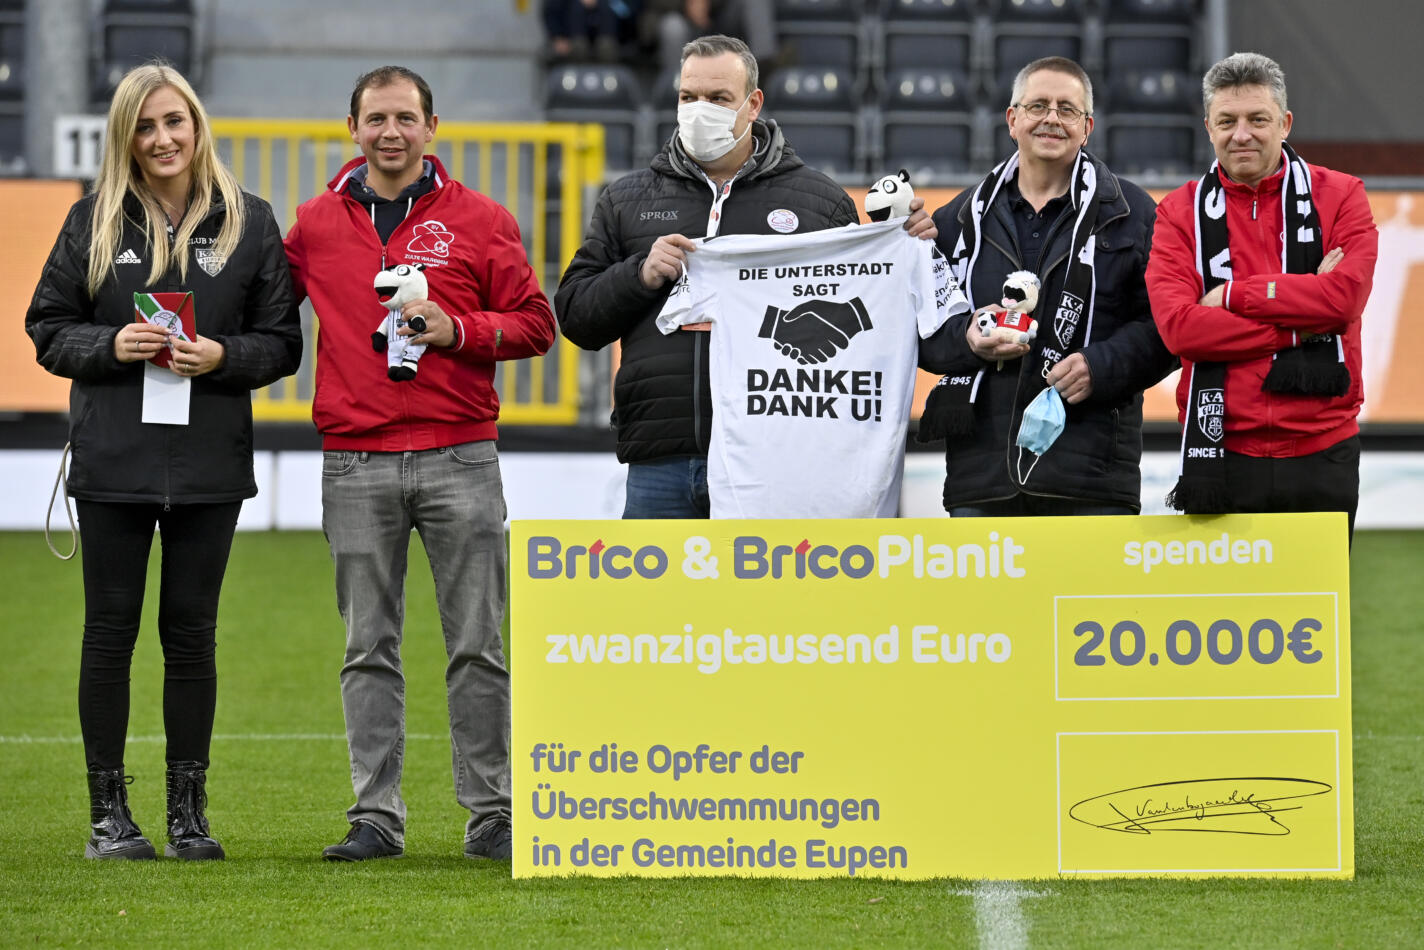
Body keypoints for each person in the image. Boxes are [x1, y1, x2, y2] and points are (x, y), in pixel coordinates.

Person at [25, 63, 303, 861]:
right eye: (145, 127)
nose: (162, 139)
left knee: (193, 637)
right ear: (126, 137)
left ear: (197, 124)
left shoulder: (250, 221)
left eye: (173, 121)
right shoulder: (92, 219)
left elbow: (282, 344)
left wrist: (220, 354)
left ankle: (188, 815)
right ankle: (108, 817)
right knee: (109, 636)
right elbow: (47, 326)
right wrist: (110, 344)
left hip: (211, 462)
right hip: (114, 459)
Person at [284, 66, 556, 862]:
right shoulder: (312, 225)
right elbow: (259, 309)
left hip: (461, 456)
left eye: (406, 117)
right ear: (353, 127)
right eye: (376, 119)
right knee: (368, 646)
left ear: (432, 128)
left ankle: (493, 814)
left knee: (478, 644)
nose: (391, 132)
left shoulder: (482, 220)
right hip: (355, 460)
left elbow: (536, 323)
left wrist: (457, 329)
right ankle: (376, 815)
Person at [555, 34, 934, 518]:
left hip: (779, 456)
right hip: (662, 454)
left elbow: (866, 302)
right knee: (657, 597)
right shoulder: (627, 200)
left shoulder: (818, 203)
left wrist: (905, 240)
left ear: (753, 104)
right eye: (688, 97)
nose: (699, 110)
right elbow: (575, 317)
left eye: (717, 99)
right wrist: (640, 274)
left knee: (773, 596)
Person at [918, 56, 1176, 517]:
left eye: (1067, 109)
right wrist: (970, 339)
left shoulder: (1133, 215)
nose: (1052, 118)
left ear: (1087, 126)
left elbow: (1168, 327)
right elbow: (925, 335)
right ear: (1012, 120)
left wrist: (1102, 366)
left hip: (1093, 482)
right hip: (983, 480)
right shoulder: (958, 220)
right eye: (1038, 105)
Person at [1145, 52, 1377, 540]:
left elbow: (1343, 302)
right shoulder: (1177, 211)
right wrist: (1304, 313)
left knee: (1317, 615)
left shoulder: (1342, 195)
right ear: (1208, 126)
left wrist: (1231, 295)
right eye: (1227, 121)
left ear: (1285, 123)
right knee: (1225, 616)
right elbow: (1181, 330)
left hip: (1323, 449)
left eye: (1258, 119)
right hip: (1221, 451)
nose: (1241, 134)